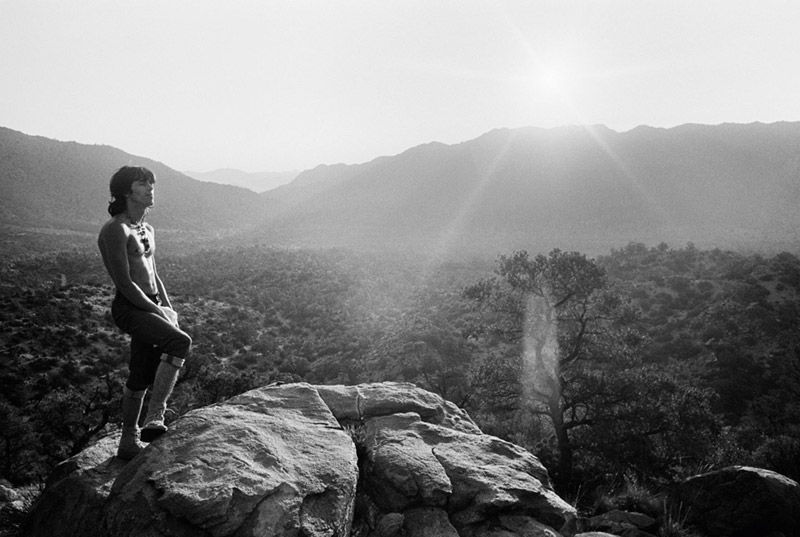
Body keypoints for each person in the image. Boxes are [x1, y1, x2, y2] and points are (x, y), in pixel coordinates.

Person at [98, 165, 192, 460]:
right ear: (127, 191)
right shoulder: (115, 229)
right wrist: (157, 311)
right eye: (142, 184)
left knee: (140, 373)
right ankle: (155, 418)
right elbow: (124, 283)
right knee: (179, 342)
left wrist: (168, 307)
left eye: (152, 184)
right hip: (130, 306)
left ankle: (127, 442)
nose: (150, 189)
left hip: (151, 304)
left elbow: (154, 273)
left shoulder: (147, 229)